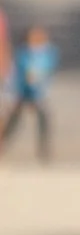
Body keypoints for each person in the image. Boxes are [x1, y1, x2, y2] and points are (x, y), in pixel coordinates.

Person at [2, 19, 58, 158]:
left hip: (38, 92)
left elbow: (47, 72)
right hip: (21, 91)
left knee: (43, 119)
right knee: (14, 119)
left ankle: (43, 149)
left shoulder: (49, 53)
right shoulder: (23, 53)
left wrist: (38, 90)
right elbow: (17, 74)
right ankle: (3, 143)